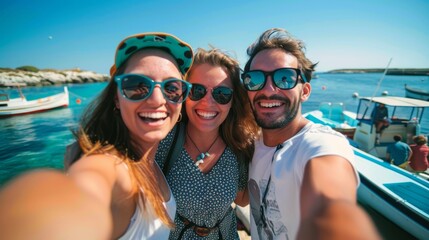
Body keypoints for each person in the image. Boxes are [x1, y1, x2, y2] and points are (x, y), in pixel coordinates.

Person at [0, 32, 194, 239]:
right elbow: (86, 189)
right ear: (117, 99)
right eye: (136, 85)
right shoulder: (113, 167)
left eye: (173, 88)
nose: (157, 100)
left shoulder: (150, 160)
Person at [242, 28, 380, 240]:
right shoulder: (252, 144)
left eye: (285, 78)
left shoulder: (320, 144)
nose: (269, 89)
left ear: (305, 91)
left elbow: (331, 205)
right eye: (255, 79)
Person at [155, 48, 260, 239]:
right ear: (184, 94)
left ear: (232, 100)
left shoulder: (240, 144)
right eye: (197, 90)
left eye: (221, 93)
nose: (208, 102)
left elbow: (242, 199)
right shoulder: (163, 141)